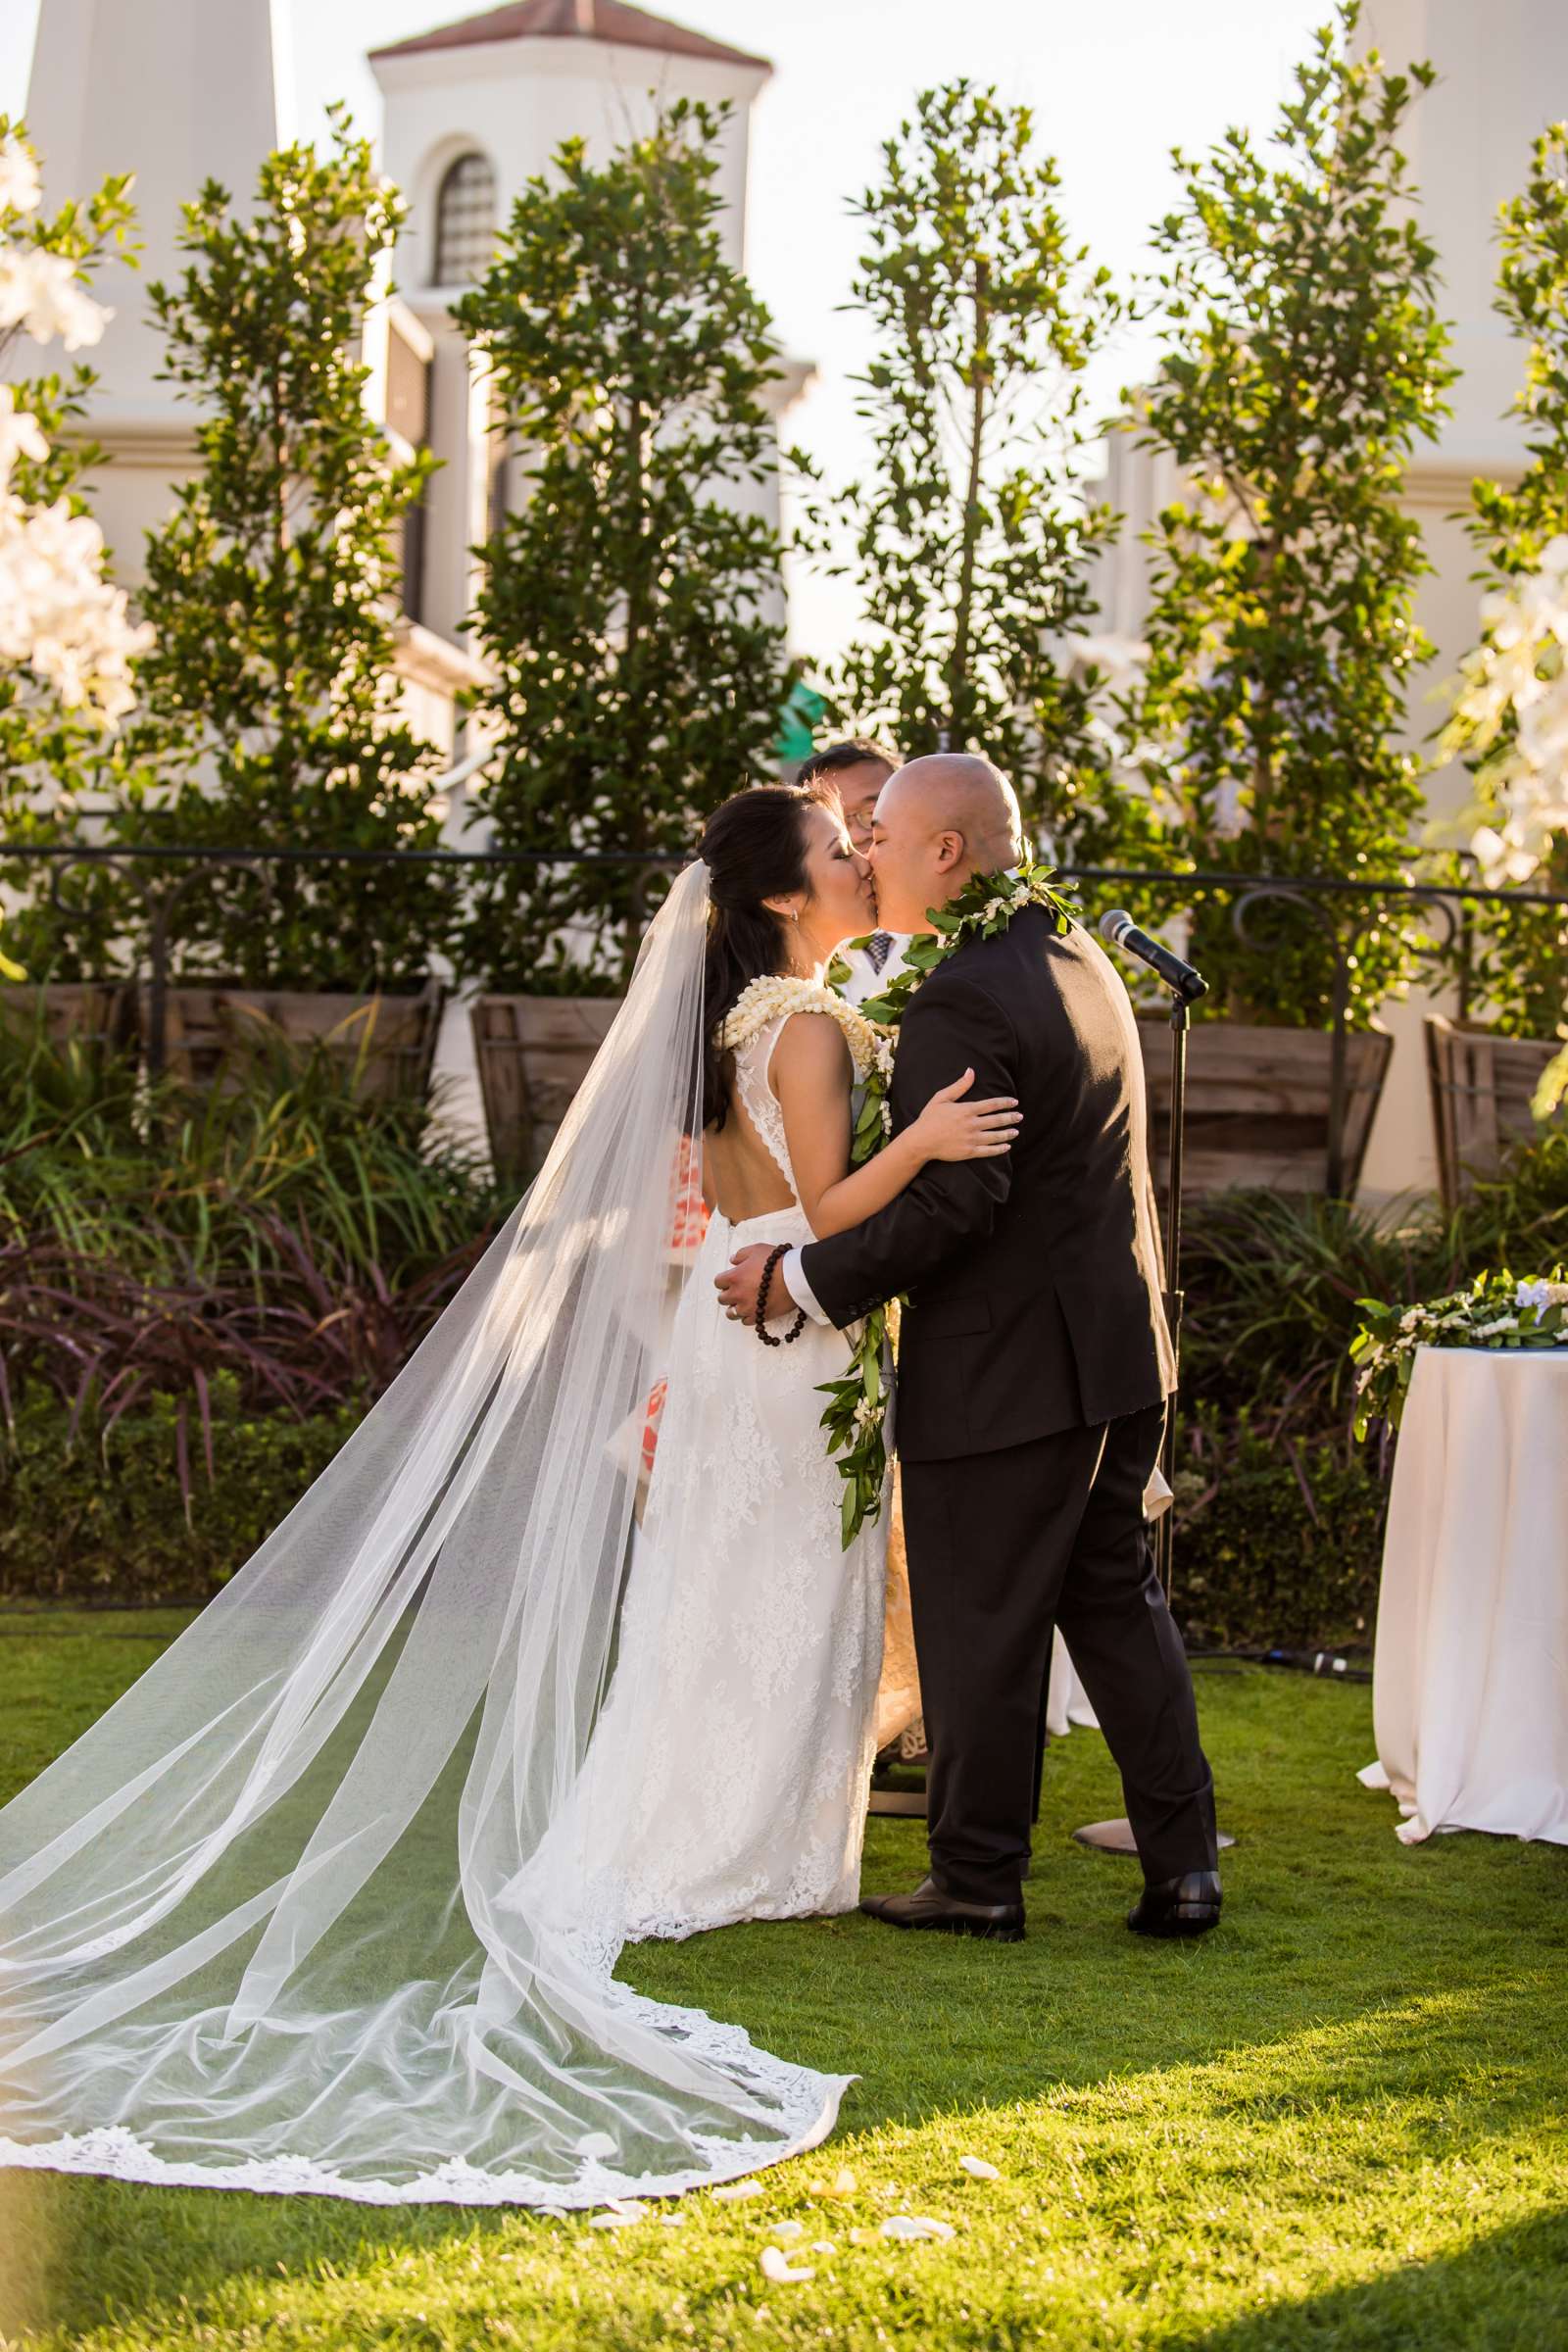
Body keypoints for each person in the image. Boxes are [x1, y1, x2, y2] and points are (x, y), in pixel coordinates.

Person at [0, 782, 1016, 2212]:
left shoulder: (743, 1024)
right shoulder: (799, 1026)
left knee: (732, 1592)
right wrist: (930, 1144)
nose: (860, 859)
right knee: (774, 1586)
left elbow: (759, 1202)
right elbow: (833, 1205)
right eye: (839, 852)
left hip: (750, 1335)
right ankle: (736, 1849)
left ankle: (730, 1831)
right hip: (790, 1338)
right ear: (787, 899)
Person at [717, 754, 1222, 1943]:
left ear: (945, 852)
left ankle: (979, 1880)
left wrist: (799, 1277)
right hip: (1117, 1351)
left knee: (980, 1623)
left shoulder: (962, 994)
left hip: (1010, 1370)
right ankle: (1184, 1867)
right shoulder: (1073, 954)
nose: (867, 851)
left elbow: (959, 1205)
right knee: (1113, 1603)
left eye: (881, 834)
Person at [797, 737, 908, 1005]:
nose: (857, 834)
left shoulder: (964, 918)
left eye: (872, 813)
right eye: (835, 822)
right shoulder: (796, 941)